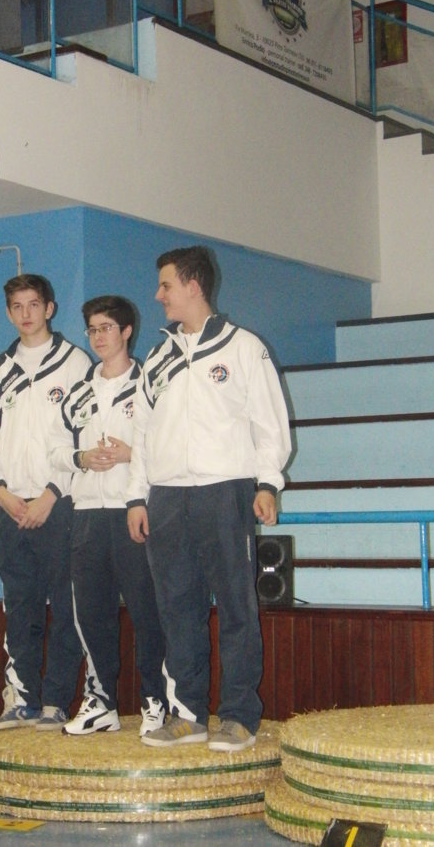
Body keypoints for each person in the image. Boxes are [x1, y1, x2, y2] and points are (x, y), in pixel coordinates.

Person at [127, 246, 291, 752]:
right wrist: (136, 498)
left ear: (193, 285)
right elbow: (141, 434)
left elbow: (269, 422)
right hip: (166, 497)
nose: (158, 295)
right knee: (178, 609)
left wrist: (268, 483)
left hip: (226, 492)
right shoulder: (158, 358)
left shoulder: (244, 348)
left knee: (237, 607)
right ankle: (188, 713)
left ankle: (239, 716)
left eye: (166, 285)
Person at [0, 273, 90, 732]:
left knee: (66, 608)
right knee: (20, 609)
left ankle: (56, 701)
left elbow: (86, 437)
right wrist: (0, 492)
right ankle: (21, 700)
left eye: (34, 304)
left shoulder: (74, 363)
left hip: (60, 507)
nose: (26, 314)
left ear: (49, 308)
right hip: (10, 509)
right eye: (17, 306)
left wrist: (52, 494)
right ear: (8, 313)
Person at [50, 295, 167, 737]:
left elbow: (171, 447)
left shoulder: (150, 385)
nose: (98, 337)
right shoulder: (78, 392)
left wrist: (131, 454)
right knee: (91, 614)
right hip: (86, 516)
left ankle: (155, 700)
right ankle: (100, 703)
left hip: (133, 512)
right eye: (92, 330)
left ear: (127, 331)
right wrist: (80, 458)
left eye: (106, 328)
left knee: (147, 612)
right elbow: (54, 449)